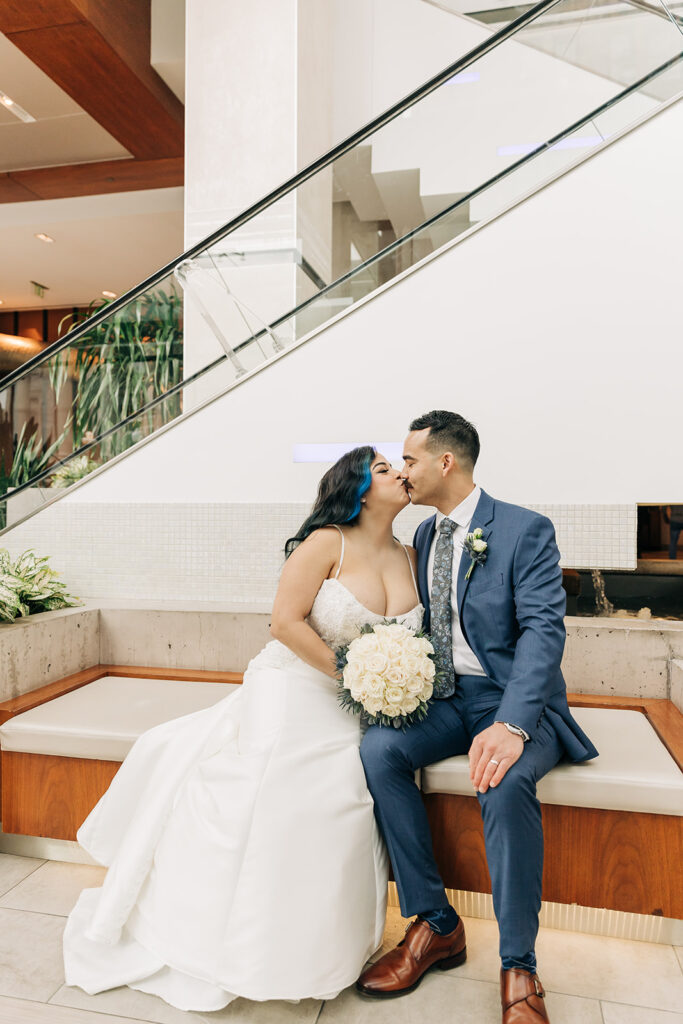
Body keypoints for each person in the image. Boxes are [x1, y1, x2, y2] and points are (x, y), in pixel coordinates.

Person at [62, 446, 423, 1012]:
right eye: (383, 468)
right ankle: (228, 945)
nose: (400, 473)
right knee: (284, 789)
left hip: (358, 705)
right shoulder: (327, 541)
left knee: (350, 798)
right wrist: (353, 677)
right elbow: (283, 623)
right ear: (354, 488)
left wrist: (393, 686)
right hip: (295, 687)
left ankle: (320, 952)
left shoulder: (408, 554)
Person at [357, 411, 598, 1024]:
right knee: (380, 750)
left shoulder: (523, 529)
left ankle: (520, 965)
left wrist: (514, 722)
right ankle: (435, 923)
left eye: (409, 460)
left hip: (513, 698)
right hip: (442, 700)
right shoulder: (423, 539)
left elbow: (545, 630)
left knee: (504, 776)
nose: (402, 472)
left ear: (445, 462)